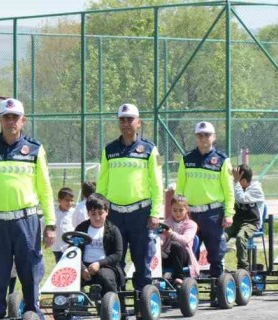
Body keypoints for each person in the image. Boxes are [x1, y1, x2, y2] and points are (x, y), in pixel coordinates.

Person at [0, 98, 53, 320]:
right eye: (6, 117)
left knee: (30, 277)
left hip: (27, 221)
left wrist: (51, 223)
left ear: (23, 121)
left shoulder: (34, 149)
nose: (11, 121)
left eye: (15, 117)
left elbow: (44, 187)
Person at [95, 103, 164, 292]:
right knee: (115, 260)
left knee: (142, 261)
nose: (126, 123)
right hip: (115, 214)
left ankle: (143, 305)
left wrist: (156, 212)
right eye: (122, 120)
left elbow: (157, 184)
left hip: (141, 214)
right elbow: (102, 184)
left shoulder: (150, 149)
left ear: (139, 122)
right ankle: (118, 306)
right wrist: (100, 210)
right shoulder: (109, 150)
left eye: (130, 119)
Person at [175, 121, 235, 288]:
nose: (203, 138)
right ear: (196, 137)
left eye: (207, 135)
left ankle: (218, 288)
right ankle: (189, 288)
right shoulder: (187, 159)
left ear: (214, 137)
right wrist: (179, 211)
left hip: (213, 214)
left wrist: (229, 213)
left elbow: (229, 191)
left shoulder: (222, 161)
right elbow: (180, 188)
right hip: (191, 214)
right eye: (200, 135)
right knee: (187, 250)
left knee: (215, 252)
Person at [73, 193, 125, 296]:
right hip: (84, 265)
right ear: (88, 213)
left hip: (106, 266)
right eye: (93, 214)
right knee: (71, 277)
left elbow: (117, 254)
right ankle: (75, 307)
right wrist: (82, 268)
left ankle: (112, 305)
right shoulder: (81, 229)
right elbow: (74, 250)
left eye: (100, 213)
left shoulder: (113, 230)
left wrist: (99, 264)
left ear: (106, 212)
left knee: (106, 277)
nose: (97, 217)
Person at [229, 164, 265, 270]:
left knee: (240, 237)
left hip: (252, 223)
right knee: (219, 237)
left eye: (237, 179)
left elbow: (241, 198)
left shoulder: (256, 189)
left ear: (243, 181)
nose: (234, 181)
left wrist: (236, 183)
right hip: (237, 222)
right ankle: (218, 265)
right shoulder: (237, 186)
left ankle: (243, 268)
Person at [160, 194, 200, 280]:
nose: (177, 213)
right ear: (171, 210)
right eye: (174, 210)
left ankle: (179, 277)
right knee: (151, 247)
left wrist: (172, 235)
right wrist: (159, 242)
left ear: (186, 210)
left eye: (181, 210)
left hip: (183, 256)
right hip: (167, 256)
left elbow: (186, 239)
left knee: (175, 245)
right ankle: (149, 277)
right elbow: (162, 238)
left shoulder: (191, 224)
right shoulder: (166, 223)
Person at [49, 187, 76, 262]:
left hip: (71, 246)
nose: (70, 203)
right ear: (59, 200)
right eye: (67, 200)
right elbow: (44, 224)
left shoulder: (75, 213)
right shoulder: (53, 213)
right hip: (57, 248)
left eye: (72, 200)